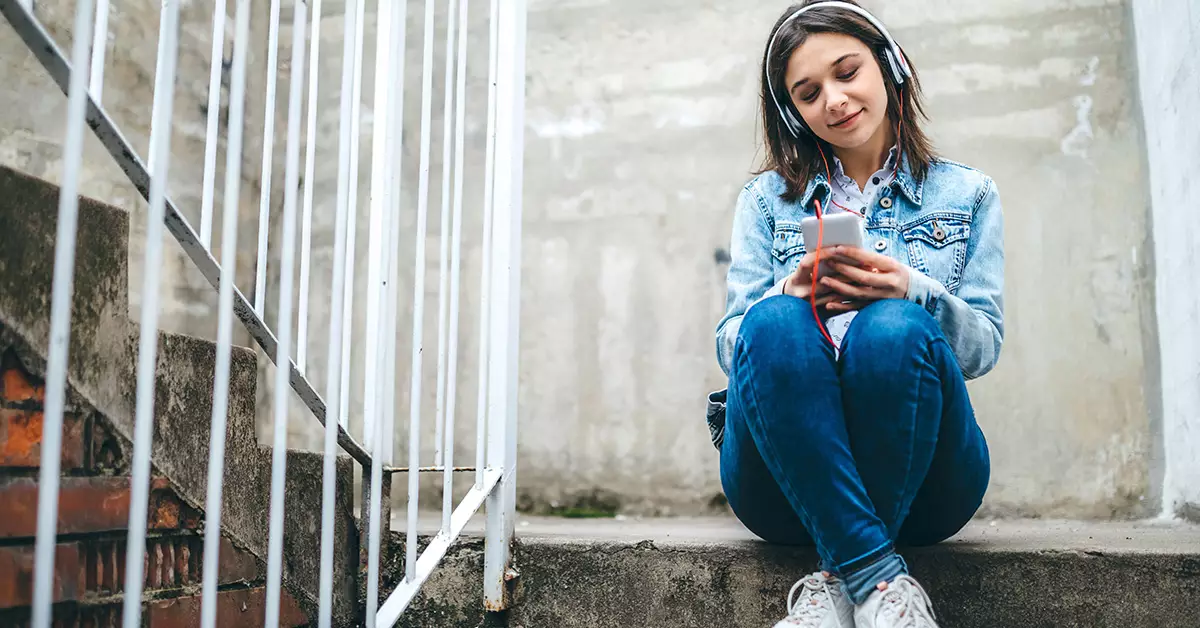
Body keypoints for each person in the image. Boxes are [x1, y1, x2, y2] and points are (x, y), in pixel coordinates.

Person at [707, 1, 1005, 626]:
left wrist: (912, 289)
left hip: (929, 485)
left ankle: (839, 581)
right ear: (793, 111)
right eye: (809, 92)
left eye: (848, 72)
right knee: (770, 322)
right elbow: (733, 346)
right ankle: (876, 580)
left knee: (893, 326)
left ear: (891, 66)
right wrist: (789, 297)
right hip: (781, 487)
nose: (835, 101)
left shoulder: (968, 194)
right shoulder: (765, 202)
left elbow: (981, 348)